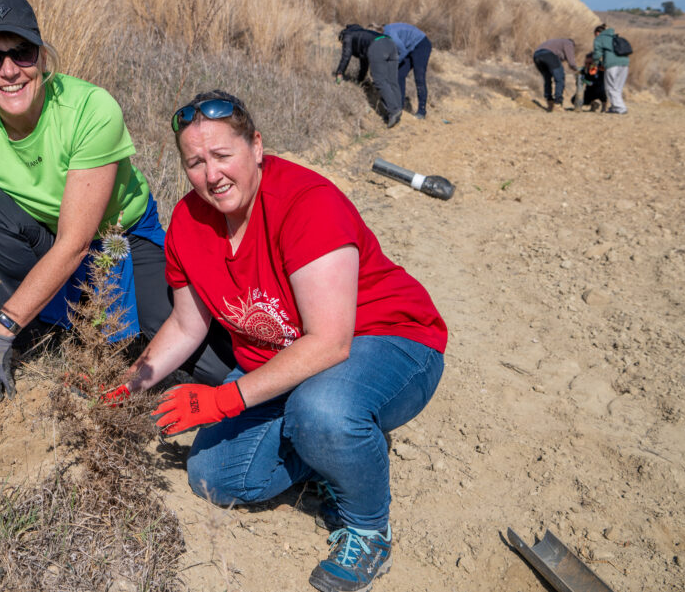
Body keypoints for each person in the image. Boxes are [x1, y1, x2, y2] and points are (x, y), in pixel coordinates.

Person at [109, 91, 447, 592]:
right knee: (213, 477)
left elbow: (331, 342)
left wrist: (226, 398)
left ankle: (367, 527)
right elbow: (186, 325)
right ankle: (332, 453)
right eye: (196, 162)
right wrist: (129, 384)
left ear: (257, 147)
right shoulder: (186, 222)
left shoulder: (307, 203)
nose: (212, 174)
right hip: (285, 357)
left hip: (386, 339)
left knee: (323, 411)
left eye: (223, 155)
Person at [0, 0, 233, 403]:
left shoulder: (90, 109)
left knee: (202, 355)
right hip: (43, 243)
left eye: (22, 53)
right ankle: (40, 328)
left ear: (42, 58)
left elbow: (75, 244)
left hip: (118, 241)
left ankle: (269, 379)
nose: (8, 72)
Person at [334, 24, 403, 128]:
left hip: (377, 47)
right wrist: (359, 80)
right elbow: (364, 63)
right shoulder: (363, 34)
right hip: (390, 43)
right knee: (392, 80)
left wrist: (339, 73)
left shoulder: (347, 36)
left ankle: (393, 111)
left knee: (380, 81)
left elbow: (346, 56)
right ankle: (398, 109)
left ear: (342, 37)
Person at [380, 22, 432, 119]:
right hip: (409, 48)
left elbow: (402, 52)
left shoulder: (390, 34)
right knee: (400, 74)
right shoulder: (384, 34)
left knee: (419, 77)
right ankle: (399, 107)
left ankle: (421, 111)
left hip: (421, 45)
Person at [532, 38, 578, 111]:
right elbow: (571, 60)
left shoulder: (557, 42)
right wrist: (576, 69)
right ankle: (558, 103)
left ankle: (550, 102)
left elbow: (560, 57)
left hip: (536, 55)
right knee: (560, 78)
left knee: (547, 79)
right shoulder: (569, 43)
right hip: (548, 55)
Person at [592, 24, 629, 114]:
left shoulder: (599, 38)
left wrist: (595, 64)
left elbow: (597, 54)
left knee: (610, 87)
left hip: (612, 65)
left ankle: (621, 108)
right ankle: (614, 107)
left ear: (597, 33)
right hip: (625, 63)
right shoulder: (614, 37)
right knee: (617, 87)